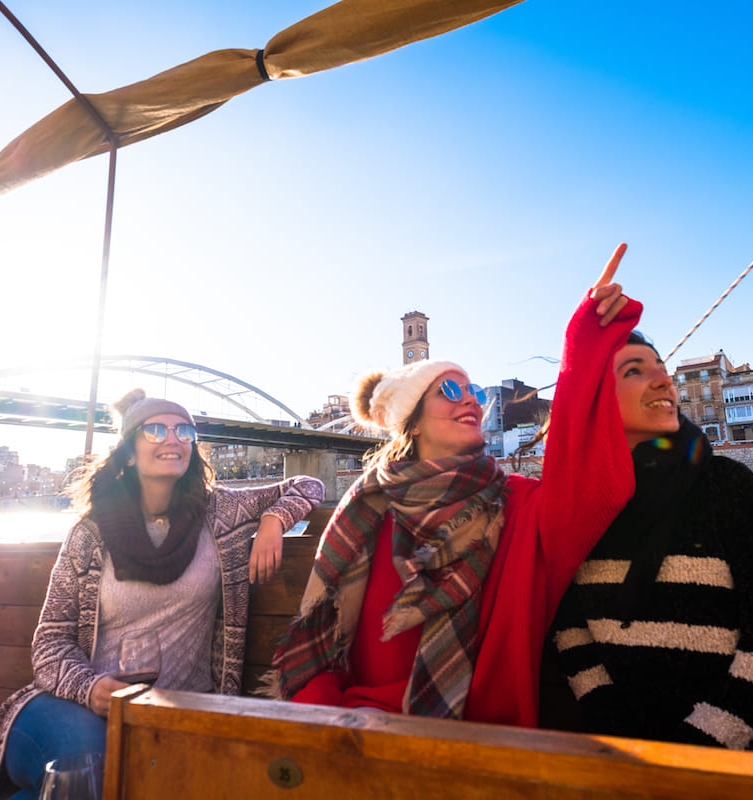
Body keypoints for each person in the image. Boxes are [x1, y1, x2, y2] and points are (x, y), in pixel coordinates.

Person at [266, 246, 640, 726]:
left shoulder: (514, 503)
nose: (470, 399)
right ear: (413, 422)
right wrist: (328, 723)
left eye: (475, 391)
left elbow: (585, 489)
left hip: (471, 737)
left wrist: (584, 339)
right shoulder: (367, 507)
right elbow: (322, 642)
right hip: (356, 729)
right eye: (449, 389)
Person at [0, 389, 325, 800]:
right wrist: (90, 689)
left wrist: (275, 518)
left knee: (79, 784)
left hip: (174, 712)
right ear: (129, 453)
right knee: (88, 762)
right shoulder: (91, 533)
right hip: (74, 705)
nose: (174, 438)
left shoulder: (222, 513)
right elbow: (49, 642)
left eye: (184, 430)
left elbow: (309, 483)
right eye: (155, 430)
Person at [544, 331, 753, 755]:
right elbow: (569, 628)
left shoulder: (724, 486)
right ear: (590, 397)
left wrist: (698, 743)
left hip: (752, 736)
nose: (664, 381)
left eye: (662, 369)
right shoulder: (575, 504)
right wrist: (608, 714)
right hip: (629, 737)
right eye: (635, 370)